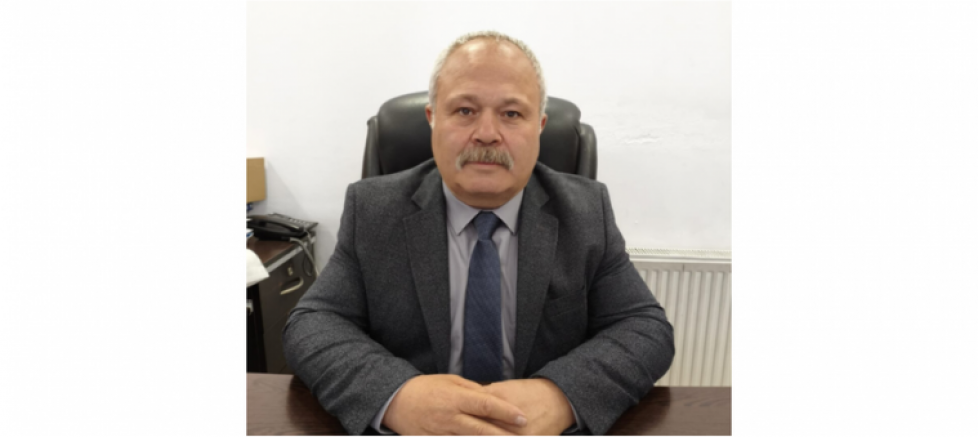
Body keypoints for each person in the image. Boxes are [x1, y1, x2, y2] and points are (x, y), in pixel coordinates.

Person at [283, 30, 674, 435]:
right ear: (433, 119)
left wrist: (561, 395)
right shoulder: (372, 211)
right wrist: (397, 396)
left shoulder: (586, 212)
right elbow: (313, 324)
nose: (487, 133)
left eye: (512, 114)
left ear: (540, 126)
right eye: (465, 110)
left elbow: (643, 328)